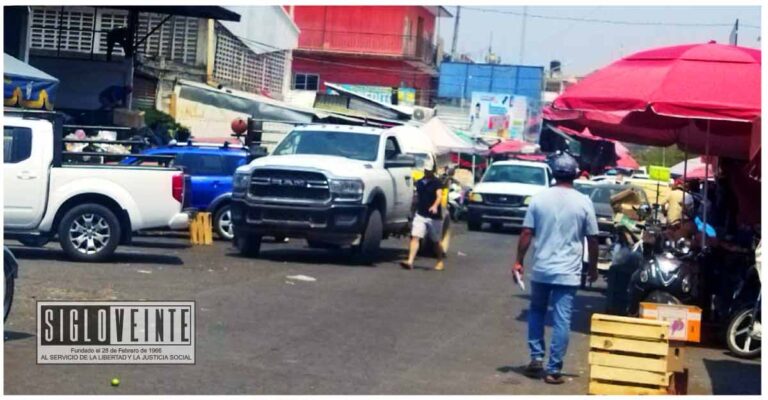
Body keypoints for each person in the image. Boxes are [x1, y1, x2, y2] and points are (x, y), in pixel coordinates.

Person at [513, 151, 599, 384]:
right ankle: (553, 369)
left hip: (542, 268)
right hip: (569, 272)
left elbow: (527, 233)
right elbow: (592, 238)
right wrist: (592, 268)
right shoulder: (584, 202)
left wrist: (519, 260)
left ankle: (536, 358)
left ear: (552, 172)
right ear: (575, 175)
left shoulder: (539, 199)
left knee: (537, 312)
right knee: (562, 319)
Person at [400, 158, 445, 271]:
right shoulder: (420, 182)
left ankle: (440, 260)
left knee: (436, 241)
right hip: (421, 214)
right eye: (426, 170)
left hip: (433, 217)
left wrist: (435, 206)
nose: (427, 172)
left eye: (429, 170)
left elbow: (439, 196)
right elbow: (416, 197)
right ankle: (410, 261)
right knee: (415, 237)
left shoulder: (437, 183)